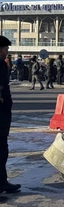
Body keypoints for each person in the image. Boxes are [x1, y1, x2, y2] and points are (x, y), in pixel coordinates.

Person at [0, 36, 21, 193]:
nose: (7, 52)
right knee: (1, 148)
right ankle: (1, 183)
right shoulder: (0, 64)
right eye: (6, 49)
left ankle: (2, 181)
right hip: (1, 112)